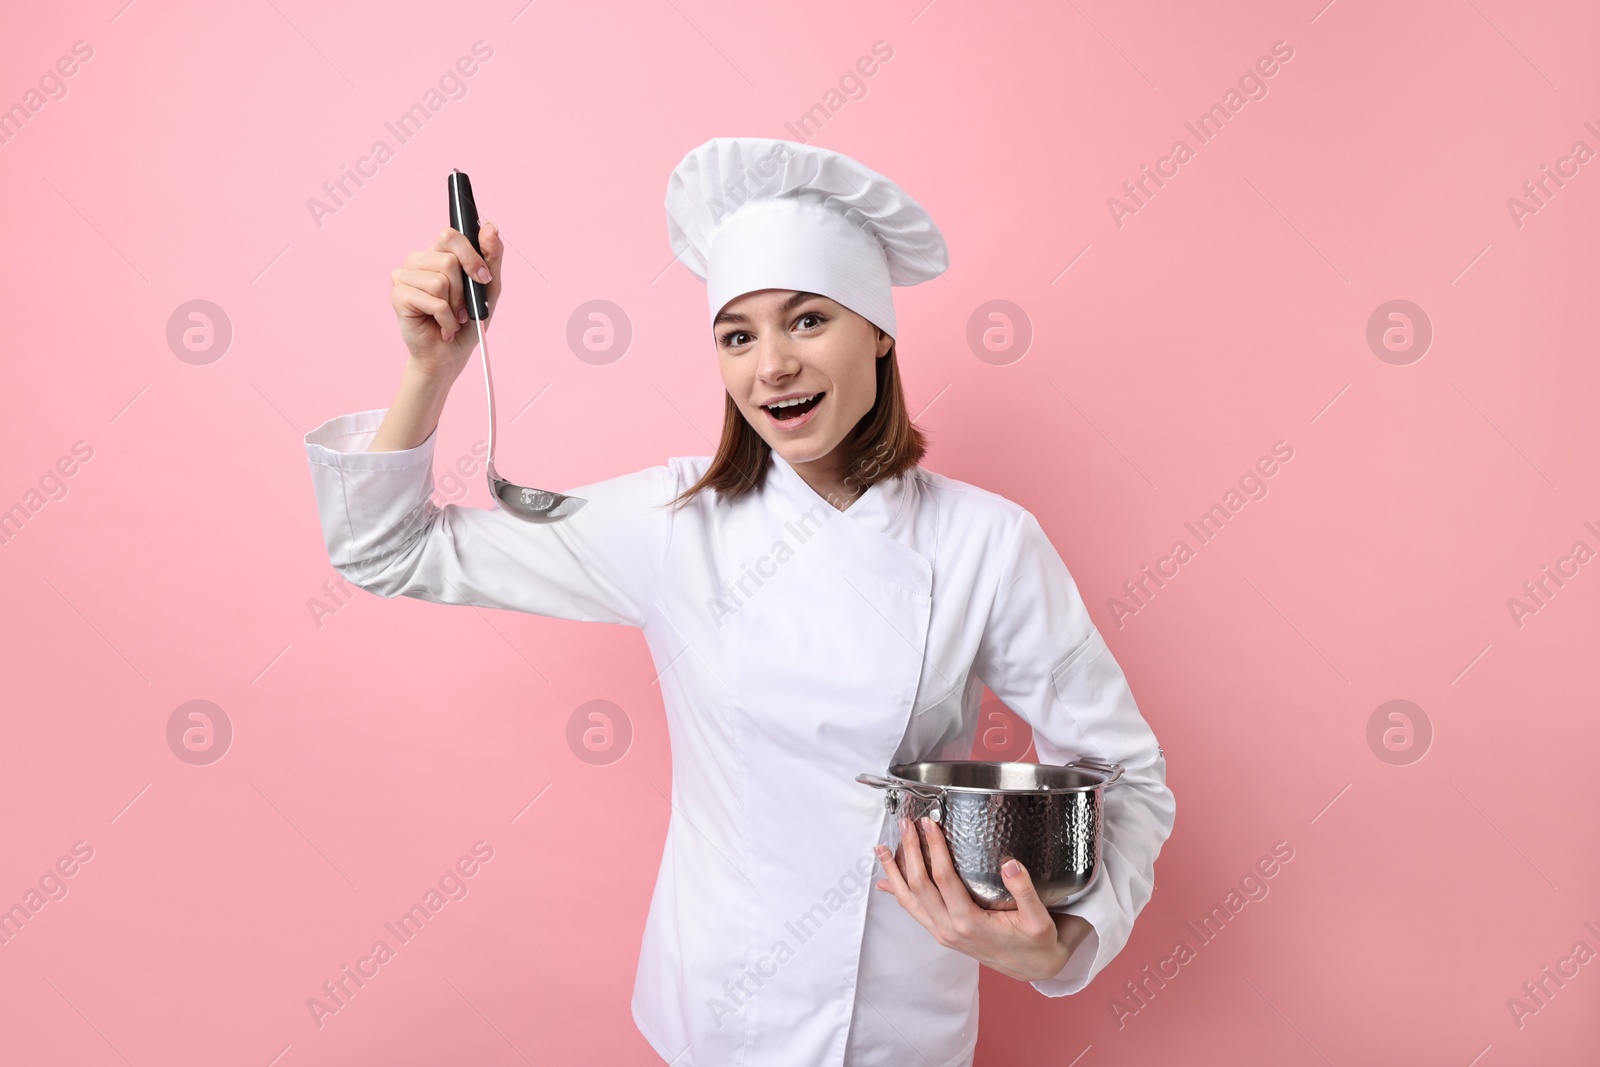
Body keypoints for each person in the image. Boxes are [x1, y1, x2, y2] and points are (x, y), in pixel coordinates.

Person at [303, 135, 1176, 1067]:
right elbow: (386, 548)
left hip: (902, 1025)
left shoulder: (987, 543)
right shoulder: (675, 522)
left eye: (807, 321)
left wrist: (1056, 944)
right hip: (716, 1017)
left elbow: (1124, 775)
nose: (772, 368)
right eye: (737, 334)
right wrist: (431, 369)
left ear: (879, 330)